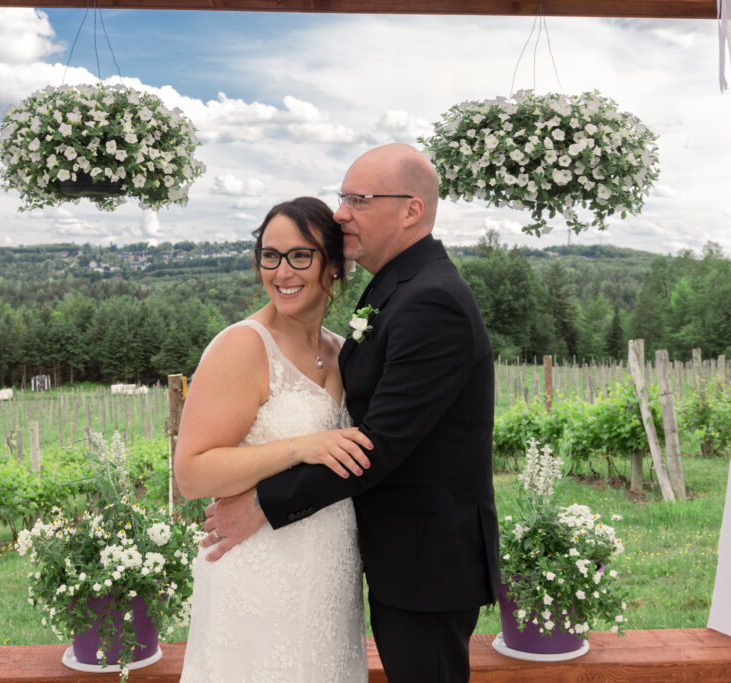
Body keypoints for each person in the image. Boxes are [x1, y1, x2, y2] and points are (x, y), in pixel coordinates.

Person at [201, 143, 501, 682]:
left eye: (358, 199)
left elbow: (378, 444)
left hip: (425, 564)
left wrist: (263, 506)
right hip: (375, 560)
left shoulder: (431, 299)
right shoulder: (393, 291)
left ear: (411, 209)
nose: (342, 213)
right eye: (343, 198)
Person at [175, 196, 374, 682]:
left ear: (334, 265)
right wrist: (298, 448)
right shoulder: (243, 345)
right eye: (270, 255)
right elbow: (191, 473)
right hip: (258, 571)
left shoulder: (342, 350)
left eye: (300, 256)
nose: (282, 271)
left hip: (330, 573)